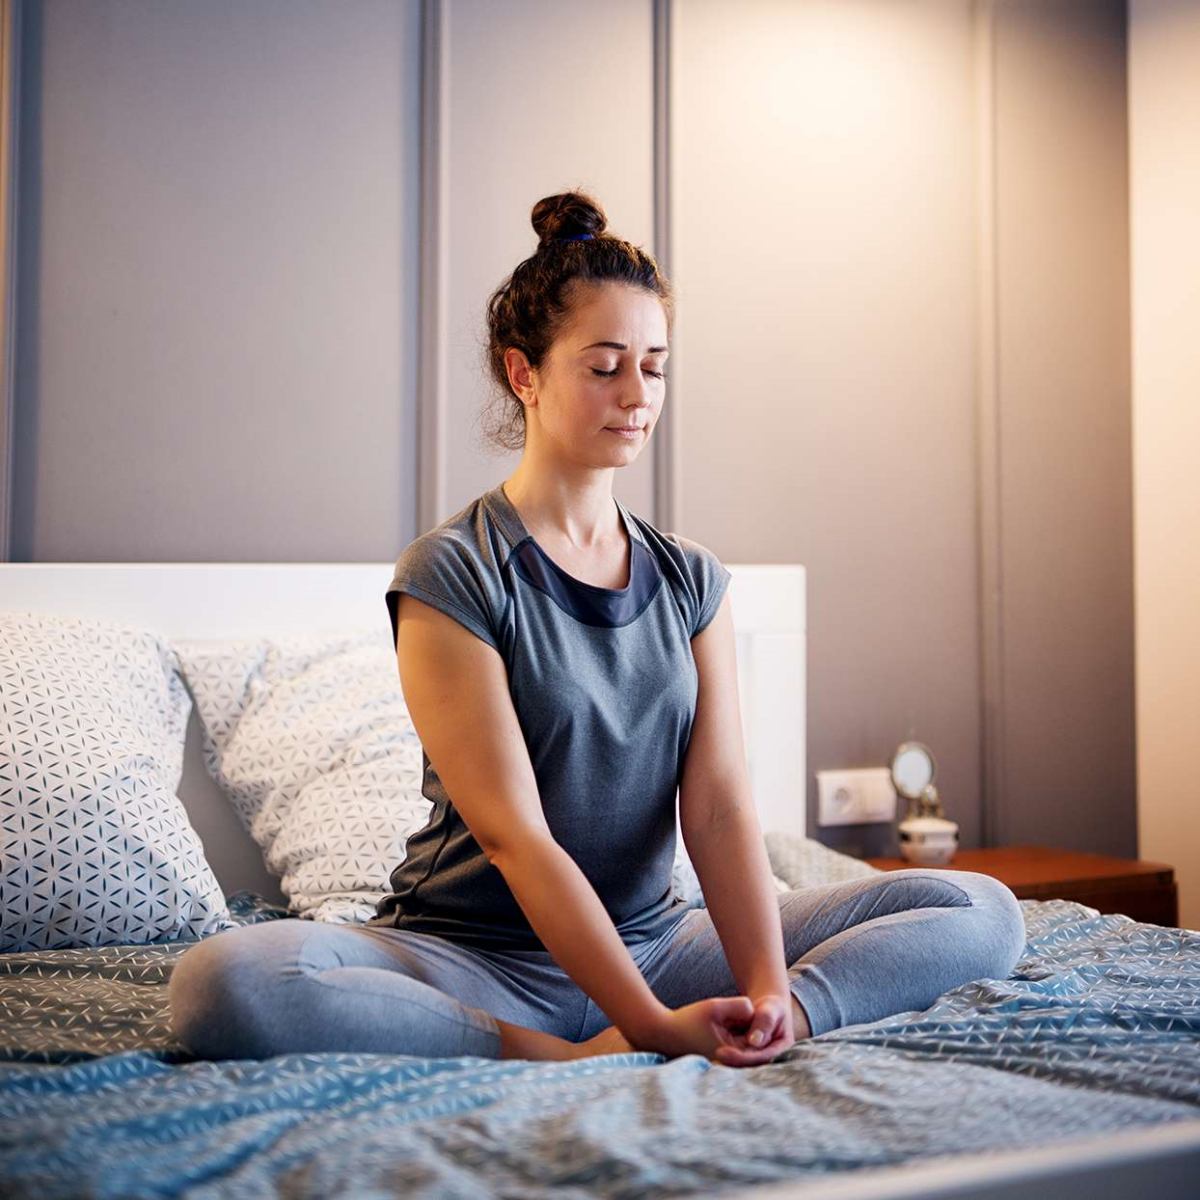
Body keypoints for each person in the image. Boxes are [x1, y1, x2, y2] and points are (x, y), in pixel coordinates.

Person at [168, 190, 1027, 1068]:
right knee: (225, 983)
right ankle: (558, 1053)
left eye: (654, 366)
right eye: (605, 365)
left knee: (981, 910)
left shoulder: (693, 579)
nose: (637, 394)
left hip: (662, 944)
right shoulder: (452, 572)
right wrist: (651, 1029)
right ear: (524, 373)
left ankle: (767, 1028)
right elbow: (514, 837)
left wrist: (772, 994)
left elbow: (723, 808)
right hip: (475, 959)